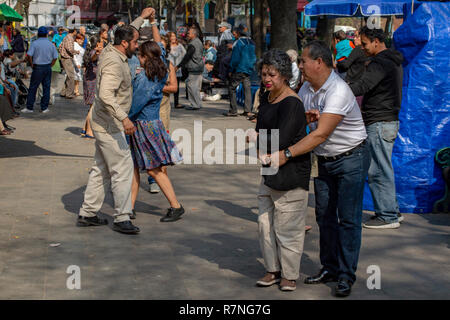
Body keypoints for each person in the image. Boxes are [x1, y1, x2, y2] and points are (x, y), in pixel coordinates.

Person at [270, 41, 369, 297]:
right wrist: (305, 119)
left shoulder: (338, 90)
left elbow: (320, 135)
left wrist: (286, 154)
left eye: (303, 61)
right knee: (324, 216)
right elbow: (301, 123)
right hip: (325, 162)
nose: (299, 65)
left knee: (347, 219)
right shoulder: (306, 88)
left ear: (319, 62)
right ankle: (330, 268)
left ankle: (346, 275)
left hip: (351, 159)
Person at [77, 8, 154, 234]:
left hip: (105, 121)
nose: (137, 46)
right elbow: (105, 94)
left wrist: (141, 17)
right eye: (135, 43)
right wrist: (125, 119)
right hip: (110, 124)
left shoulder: (114, 47)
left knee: (101, 169)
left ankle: (88, 213)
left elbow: (128, 32)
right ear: (125, 44)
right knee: (123, 167)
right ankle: (122, 217)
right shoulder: (113, 63)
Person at [254, 49, 311, 292]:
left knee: (288, 228)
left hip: (290, 173)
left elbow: (283, 140)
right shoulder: (266, 97)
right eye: (264, 73)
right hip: (269, 170)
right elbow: (261, 130)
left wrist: (265, 148)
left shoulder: (292, 103)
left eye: (272, 74)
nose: (267, 78)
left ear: (285, 75)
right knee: (265, 225)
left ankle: (289, 274)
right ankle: (272, 269)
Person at [128, 14, 184, 222]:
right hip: (147, 124)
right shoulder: (158, 71)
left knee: (153, 169)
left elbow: (136, 104)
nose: (138, 57)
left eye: (140, 54)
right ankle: (129, 207)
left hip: (144, 126)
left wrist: (122, 116)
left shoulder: (145, 77)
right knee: (135, 167)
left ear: (145, 57)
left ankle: (176, 205)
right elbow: (158, 46)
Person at [349, 27, 404, 229]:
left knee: (378, 170)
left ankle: (388, 215)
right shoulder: (391, 61)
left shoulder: (381, 62)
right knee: (382, 168)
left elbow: (363, 85)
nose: (361, 48)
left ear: (376, 42)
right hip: (385, 121)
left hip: (380, 122)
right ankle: (392, 210)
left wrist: (337, 90)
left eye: (364, 43)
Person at [21, 27, 58, 114]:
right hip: (47, 67)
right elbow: (55, 57)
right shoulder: (50, 44)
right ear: (46, 34)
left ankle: (29, 107)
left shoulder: (34, 43)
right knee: (46, 87)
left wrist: (32, 64)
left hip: (37, 67)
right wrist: (51, 64)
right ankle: (44, 108)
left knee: (33, 87)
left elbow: (29, 55)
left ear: (38, 34)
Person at [223, 25, 256, 117]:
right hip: (249, 68)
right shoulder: (251, 42)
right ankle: (247, 110)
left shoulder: (239, 42)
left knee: (232, 87)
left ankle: (233, 110)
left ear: (238, 34)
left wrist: (231, 69)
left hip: (240, 68)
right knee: (247, 88)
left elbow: (235, 59)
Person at [337, 30, 368, 106]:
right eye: (354, 36)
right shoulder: (367, 51)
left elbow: (346, 65)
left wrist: (338, 64)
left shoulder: (357, 49)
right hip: (362, 85)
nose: (354, 39)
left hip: (352, 83)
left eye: (357, 37)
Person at [177, 27, 204, 110]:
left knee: (192, 87)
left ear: (194, 34)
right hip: (199, 67)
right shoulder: (199, 42)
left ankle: (194, 104)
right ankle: (198, 103)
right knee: (196, 88)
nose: (187, 35)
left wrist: (179, 65)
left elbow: (187, 56)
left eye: (189, 33)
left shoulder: (193, 44)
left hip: (194, 68)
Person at [81, 35, 103, 139]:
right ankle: (89, 131)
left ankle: (85, 129)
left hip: (89, 80)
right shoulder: (94, 53)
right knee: (93, 107)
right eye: (101, 43)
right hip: (92, 81)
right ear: (97, 44)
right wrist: (98, 53)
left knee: (91, 107)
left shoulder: (90, 52)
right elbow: (93, 57)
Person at [167, 31, 186, 109]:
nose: (173, 38)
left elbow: (185, 55)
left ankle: (176, 102)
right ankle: (166, 103)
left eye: (174, 36)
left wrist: (180, 65)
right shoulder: (167, 46)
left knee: (176, 86)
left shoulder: (180, 46)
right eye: (171, 36)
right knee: (167, 86)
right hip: (168, 69)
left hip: (177, 68)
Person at [59, 28, 79, 99]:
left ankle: (63, 92)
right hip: (66, 58)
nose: (77, 32)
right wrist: (76, 52)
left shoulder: (67, 37)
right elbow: (69, 49)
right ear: (74, 31)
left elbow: (60, 46)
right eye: (76, 31)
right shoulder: (69, 38)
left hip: (65, 58)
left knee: (68, 75)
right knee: (71, 76)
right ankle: (69, 94)